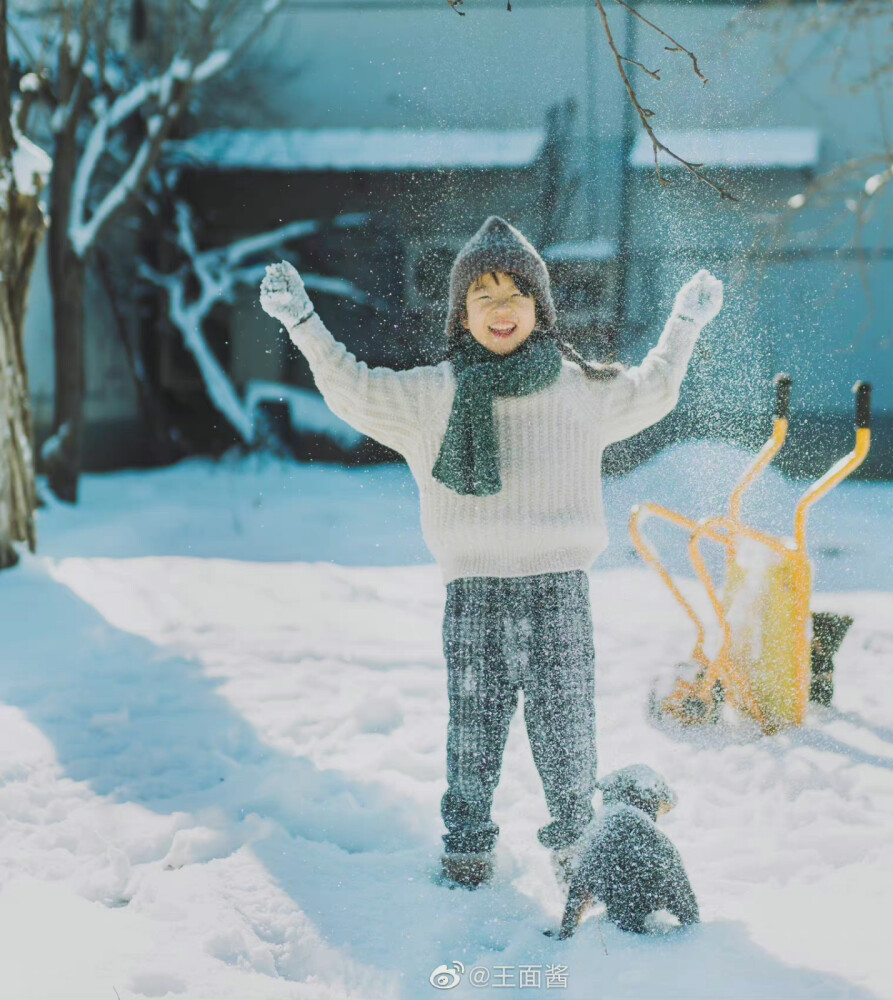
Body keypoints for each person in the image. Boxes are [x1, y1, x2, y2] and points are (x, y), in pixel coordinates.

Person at [259, 215, 723, 891]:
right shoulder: (431, 396)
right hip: (472, 590)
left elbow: (654, 389)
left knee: (566, 733)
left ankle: (576, 850)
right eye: (484, 296)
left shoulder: (579, 389)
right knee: (472, 731)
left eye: (515, 295)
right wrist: (301, 319)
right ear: (462, 313)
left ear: (540, 308)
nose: (501, 309)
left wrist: (685, 321)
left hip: (559, 588)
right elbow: (353, 387)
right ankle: (467, 850)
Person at [548, 764, 699, 938]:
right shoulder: (660, 844)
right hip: (655, 914)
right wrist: (691, 922)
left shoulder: (603, 833)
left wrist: (566, 933)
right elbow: (686, 902)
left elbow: (580, 888)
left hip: (620, 924)